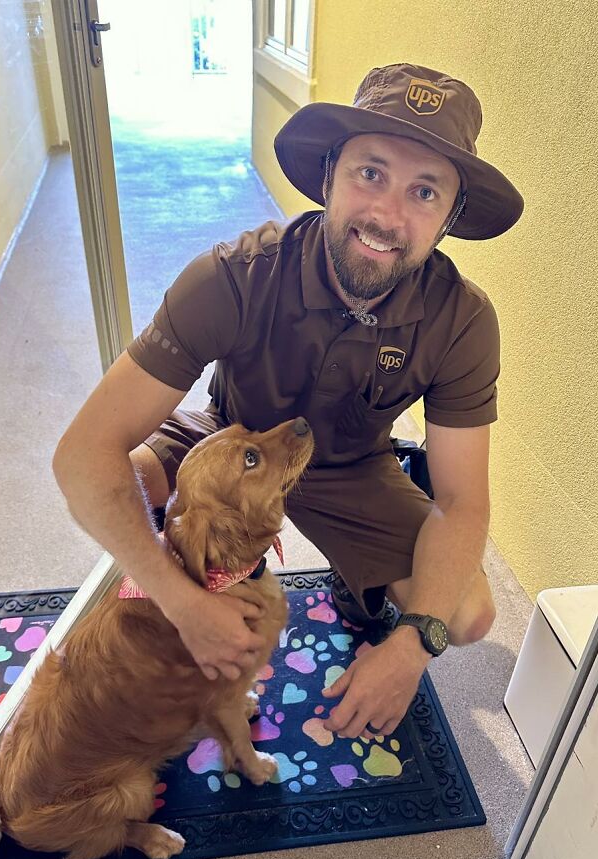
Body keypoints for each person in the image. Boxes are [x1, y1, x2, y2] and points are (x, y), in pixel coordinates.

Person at [53, 63, 523, 741]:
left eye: (425, 191)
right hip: (230, 431)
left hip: (352, 468)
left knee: (469, 611)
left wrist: (412, 649)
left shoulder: (464, 321)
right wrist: (177, 597)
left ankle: (355, 589)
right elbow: (80, 455)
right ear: (329, 174)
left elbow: (463, 502)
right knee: (124, 480)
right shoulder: (232, 278)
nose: (389, 215)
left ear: (450, 217)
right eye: (371, 173)